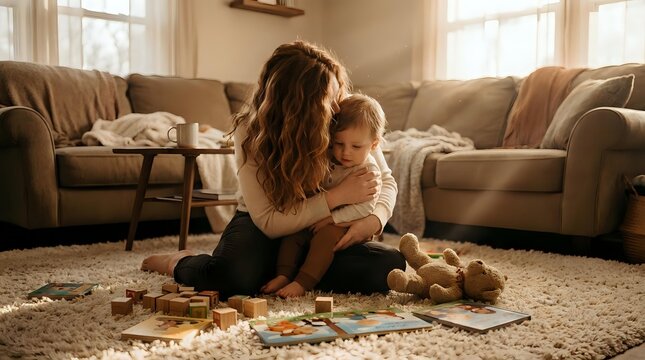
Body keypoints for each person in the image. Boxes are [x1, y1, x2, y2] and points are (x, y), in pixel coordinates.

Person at [141, 40, 405, 299]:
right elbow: (269, 221)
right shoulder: (251, 132)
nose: (337, 107)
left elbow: (385, 180)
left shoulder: (344, 117)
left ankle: (288, 271)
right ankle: (178, 261)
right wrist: (338, 197)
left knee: (387, 266)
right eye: (329, 100)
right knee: (233, 278)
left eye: (337, 95)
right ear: (299, 106)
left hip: (320, 226)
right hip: (262, 222)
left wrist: (373, 220)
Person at [261, 94, 389, 298]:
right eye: (338, 143)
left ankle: (303, 282)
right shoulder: (328, 155)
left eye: (356, 147)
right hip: (318, 212)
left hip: (344, 221)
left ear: (374, 145)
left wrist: (333, 219)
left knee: (325, 239)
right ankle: (283, 274)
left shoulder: (368, 170)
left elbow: (366, 208)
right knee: (294, 233)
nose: (345, 153)